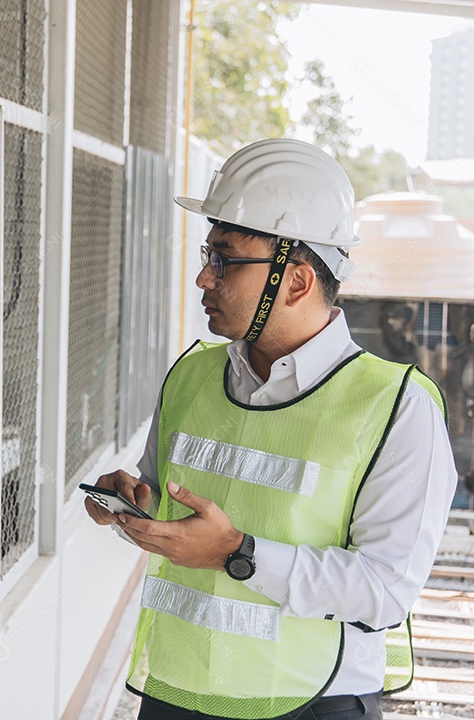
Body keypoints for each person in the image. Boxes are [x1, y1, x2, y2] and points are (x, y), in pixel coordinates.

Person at [84, 138, 456, 720]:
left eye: (226, 260)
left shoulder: (398, 407)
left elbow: (384, 592)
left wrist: (238, 554)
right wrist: (138, 506)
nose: (205, 278)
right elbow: (180, 513)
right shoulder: (192, 376)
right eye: (208, 255)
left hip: (311, 702)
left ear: (297, 281)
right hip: (176, 692)